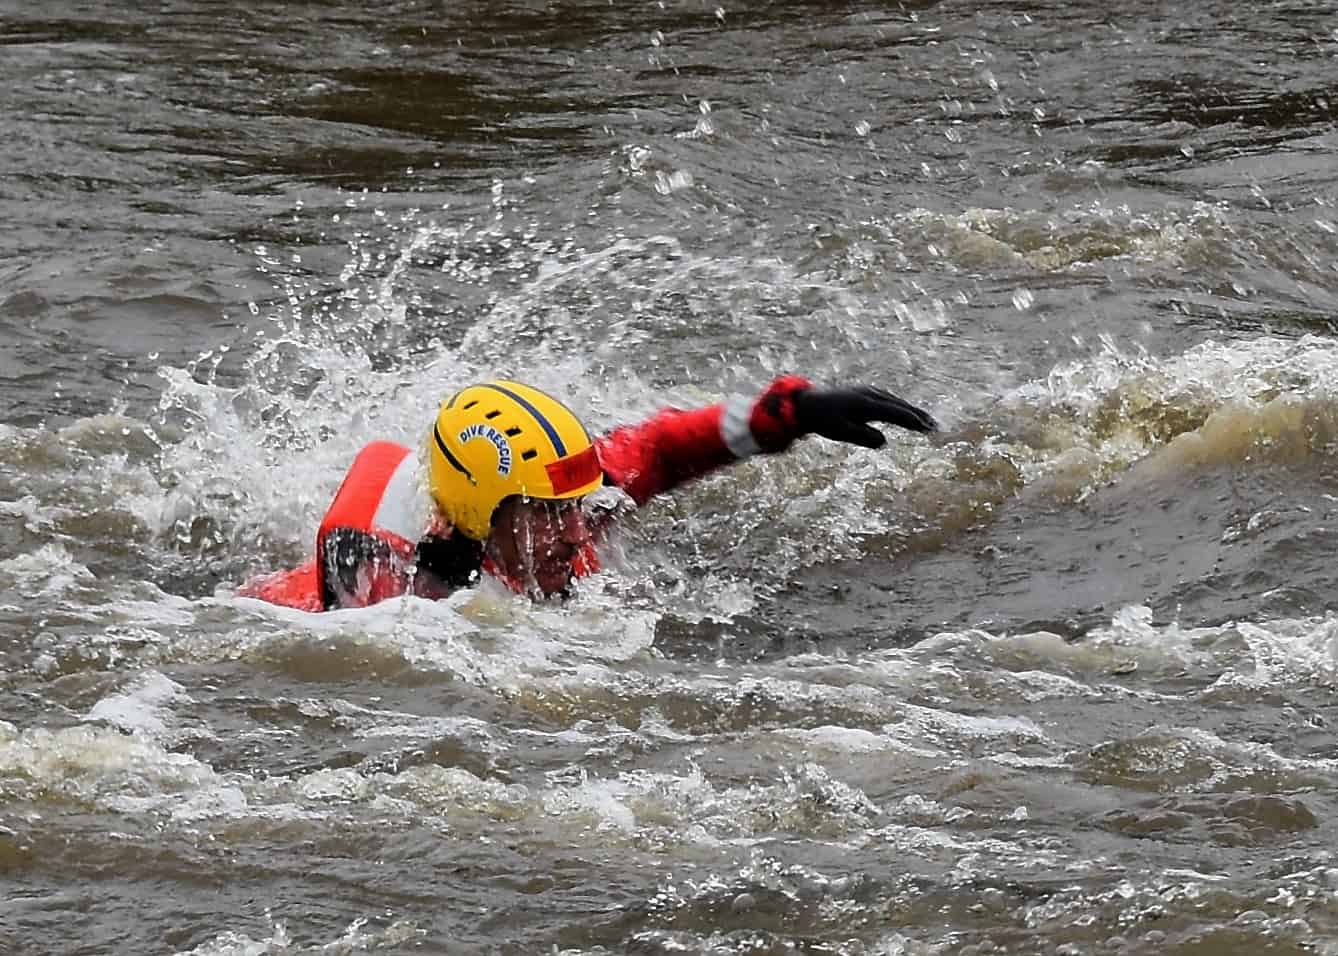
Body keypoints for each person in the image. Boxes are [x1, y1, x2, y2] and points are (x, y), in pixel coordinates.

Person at [237, 375, 938, 611]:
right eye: (549, 516)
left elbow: (660, 449)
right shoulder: (383, 585)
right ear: (478, 518)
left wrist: (787, 413)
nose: (578, 532)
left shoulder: (565, 494)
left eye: (576, 507)